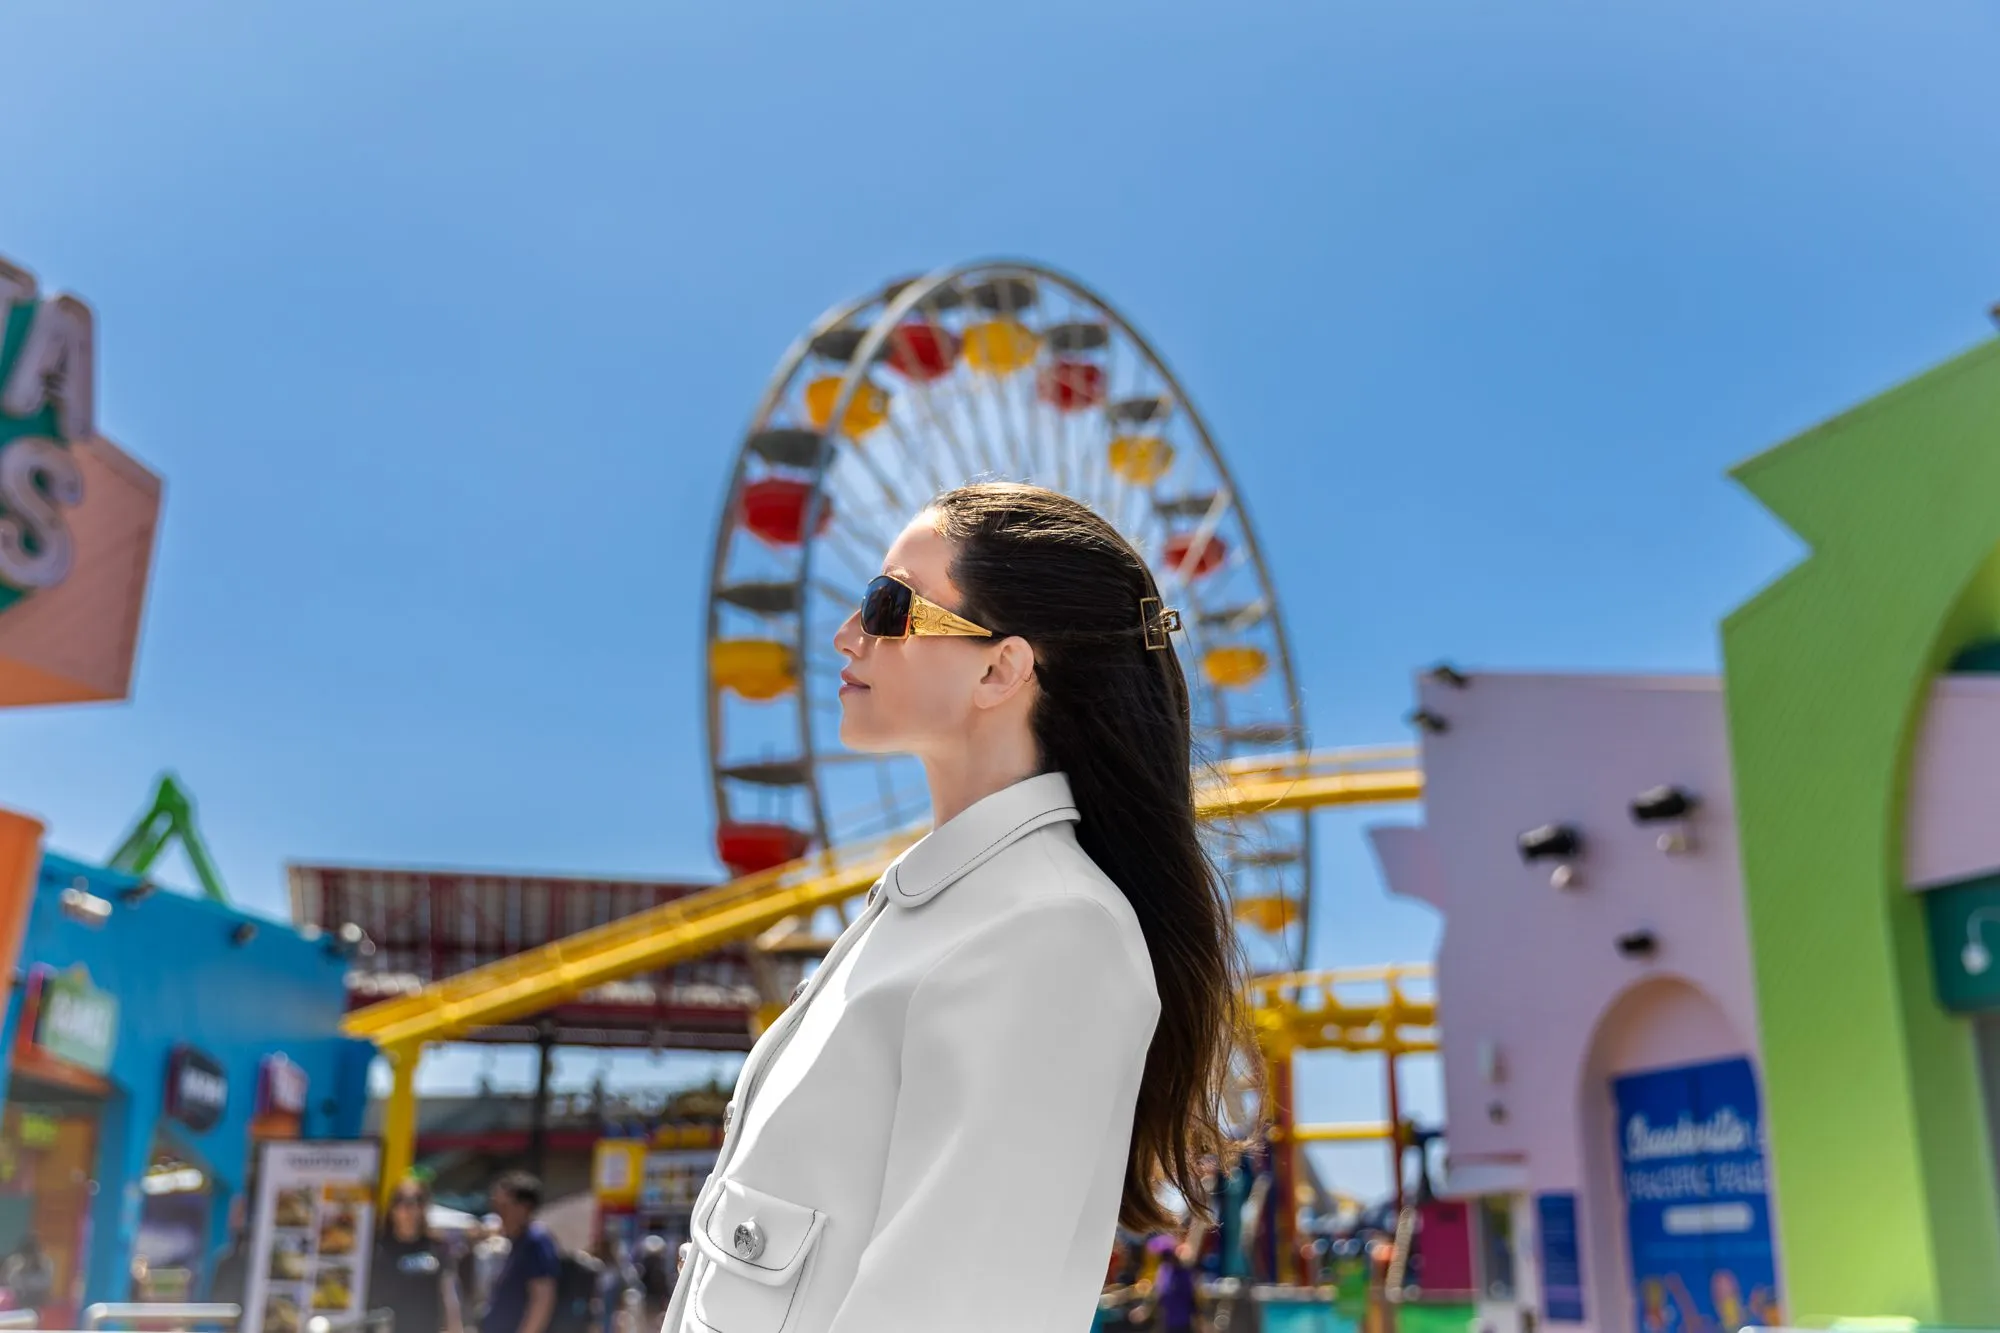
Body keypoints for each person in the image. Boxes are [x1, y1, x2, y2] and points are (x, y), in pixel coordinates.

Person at [662, 483, 1256, 1333]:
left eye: (887, 605)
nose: (846, 633)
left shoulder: (1053, 935)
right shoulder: (926, 913)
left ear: (1000, 668)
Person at [369, 1176, 464, 1333]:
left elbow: (449, 1296)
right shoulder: (378, 1249)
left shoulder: (437, 1246)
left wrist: (455, 1328)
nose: (409, 1209)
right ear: (392, 1208)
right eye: (401, 1201)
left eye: (417, 1201)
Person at [482, 1173, 559, 1333]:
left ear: (523, 1207)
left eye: (503, 1207)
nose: (498, 1215)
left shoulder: (536, 1241)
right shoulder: (518, 1242)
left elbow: (542, 1298)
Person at [1, 1235, 54, 1314]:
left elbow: (46, 1282)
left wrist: (29, 1283)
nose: (29, 1258)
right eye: (27, 1254)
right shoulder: (15, 1261)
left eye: (32, 1254)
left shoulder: (45, 1262)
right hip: (17, 1302)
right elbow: (9, 1280)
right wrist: (20, 1271)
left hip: (37, 1301)